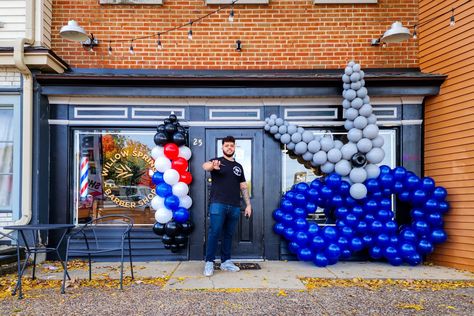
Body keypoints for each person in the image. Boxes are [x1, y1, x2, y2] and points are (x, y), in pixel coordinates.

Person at [202, 136, 252, 277]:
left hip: (235, 205)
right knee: (214, 232)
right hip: (218, 204)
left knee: (229, 235)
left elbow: (243, 187)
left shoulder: (238, 167)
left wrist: (248, 205)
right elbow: (205, 166)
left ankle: (226, 262)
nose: (229, 147)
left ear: (234, 147)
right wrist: (213, 166)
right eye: (227, 145)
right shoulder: (217, 161)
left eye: (232, 145)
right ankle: (209, 262)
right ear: (222, 147)